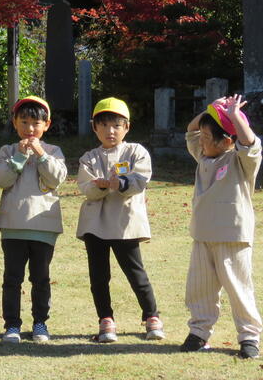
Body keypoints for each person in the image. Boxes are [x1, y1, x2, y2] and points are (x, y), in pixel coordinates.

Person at [180, 94, 263, 359]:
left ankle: (249, 337)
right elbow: (191, 130)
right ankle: (199, 332)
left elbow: (250, 143)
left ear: (226, 141)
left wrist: (234, 116)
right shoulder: (203, 157)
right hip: (203, 234)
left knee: (238, 287)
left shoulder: (240, 161)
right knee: (200, 288)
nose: (201, 140)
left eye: (207, 137)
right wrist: (210, 109)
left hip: (232, 235)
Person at [76, 97, 164, 343]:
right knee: (98, 276)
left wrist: (120, 183)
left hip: (125, 224)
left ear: (127, 127)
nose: (110, 131)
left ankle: (152, 316)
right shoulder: (89, 158)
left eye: (116, 125)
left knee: (136, 273)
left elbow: (140, 179)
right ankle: (106, 319)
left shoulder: (136, 152)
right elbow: (86, 187)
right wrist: (102, 186)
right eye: (104, 125)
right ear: (95, 128)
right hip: (95, 225)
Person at [0, 95, 68, 343]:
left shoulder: (53, 151)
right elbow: (1, 180)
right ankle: (12, 325)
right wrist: (19, 156)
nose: (30, 128)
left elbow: (56, 179)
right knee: (12, 279)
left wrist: (41, 155)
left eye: (36, 123)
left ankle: (40, 323)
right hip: (13, 226)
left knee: (41, 279)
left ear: (47, 125)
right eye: (24, 122)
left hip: (44, 227)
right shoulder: (7, 151)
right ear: (15, 122)